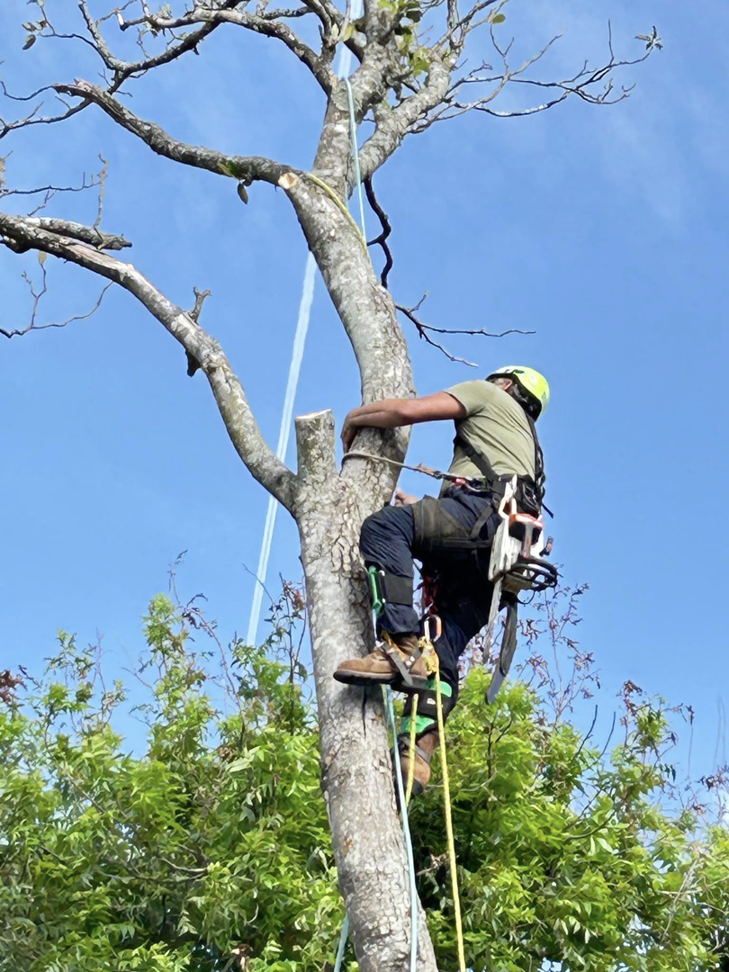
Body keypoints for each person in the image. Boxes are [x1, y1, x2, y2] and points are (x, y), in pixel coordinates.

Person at [334, 366, 550, 794]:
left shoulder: (488, 396)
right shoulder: (528, 447)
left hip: (480, 520)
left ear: (507, 384)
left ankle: (398, 642)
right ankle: (418, 754)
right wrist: (425, 505)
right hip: (499, 560)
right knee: (443, 642)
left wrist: (356, 417)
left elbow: (406, 411)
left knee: (384, 529)